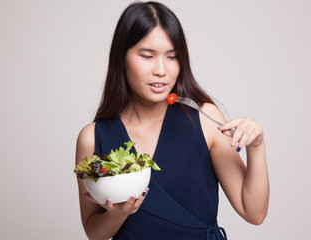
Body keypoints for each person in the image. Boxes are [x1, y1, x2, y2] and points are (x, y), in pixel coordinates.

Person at [75, 1, 269, 239]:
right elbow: (94, 232)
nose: (161, 70)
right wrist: (119, 213)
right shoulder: (92, 137)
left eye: (172, 56)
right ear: (121, 59)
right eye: (147, 56)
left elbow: (254, 213)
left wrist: (257, 146)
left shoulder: (204, 119)